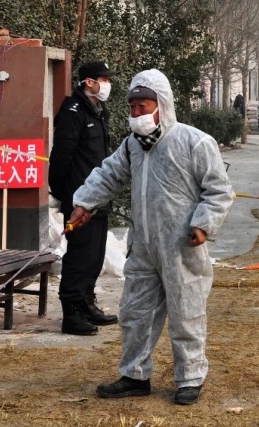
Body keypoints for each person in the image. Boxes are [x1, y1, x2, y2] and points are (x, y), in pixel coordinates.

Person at [67, 69, 234, 405]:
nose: (136, 114)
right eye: (132, 108)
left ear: (163, 105)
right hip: (143, 246)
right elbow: (107, 175)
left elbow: (219, 190)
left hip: (181, 246)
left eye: (143, 106)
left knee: (186, 313)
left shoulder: (194, 142)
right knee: (134, 312)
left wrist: (203, 224)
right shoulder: (133, 146)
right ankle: (134, 375)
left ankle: (189, 378)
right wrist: (84, 202)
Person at [48, 60, 118, 336]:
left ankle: (87, 302)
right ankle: (71, 312)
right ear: (88, 82)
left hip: (99, 195)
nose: (107, 84)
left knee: (95, 255)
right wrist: (64, 193)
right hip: (80, 198)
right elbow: (61, 157)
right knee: (79, 256)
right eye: (103, 79)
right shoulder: (73, 111)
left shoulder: (99, 111)